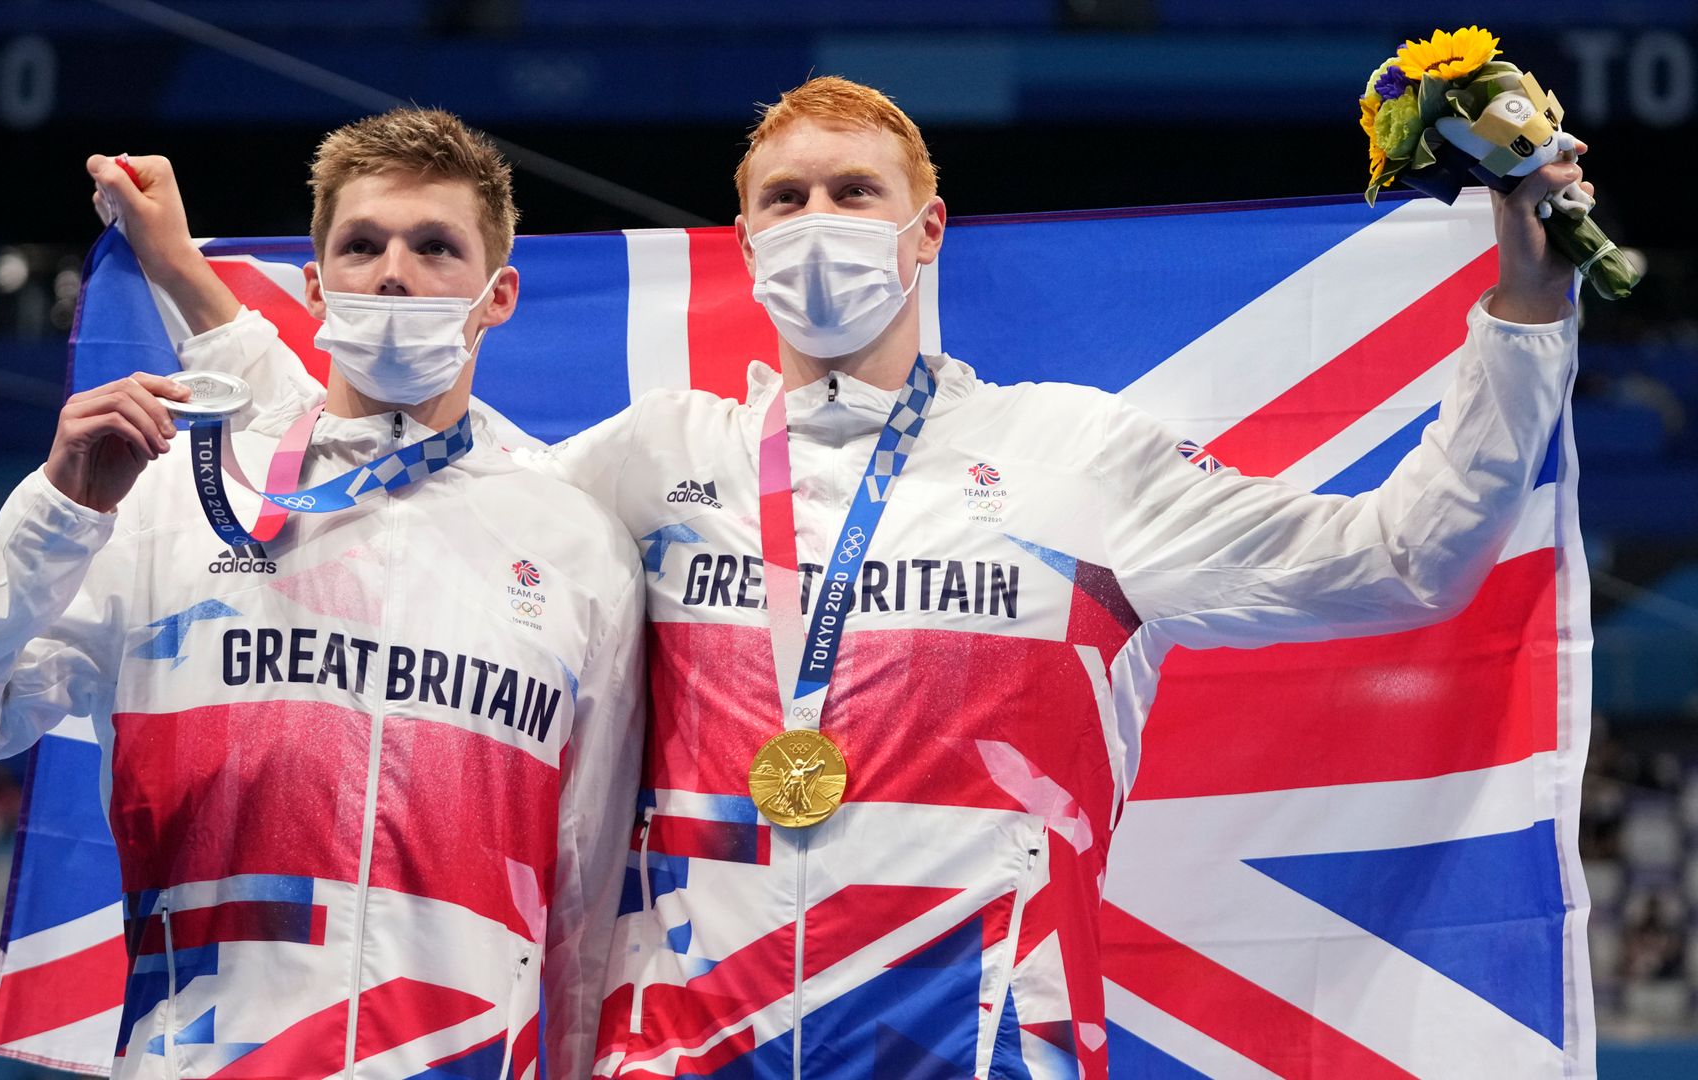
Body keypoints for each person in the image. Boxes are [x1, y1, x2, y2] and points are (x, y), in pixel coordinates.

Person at [148, 77, 1584, 1079]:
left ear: (927, 228)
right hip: (680, 1052)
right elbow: (432, 478)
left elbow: (1409, 558)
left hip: (979, 1048)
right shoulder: (649, 465)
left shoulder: (1077, 454)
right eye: (786, 197)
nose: (820, 217)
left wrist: (1525, 300)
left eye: (854, 191)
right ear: (747, 240)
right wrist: (207, 302)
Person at [0, 108, 645, 1080]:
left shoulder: (577, 545)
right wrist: (61, 512)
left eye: (436, 247)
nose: (394, 274)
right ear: (316, 289)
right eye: (363, 246)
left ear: (499, 295)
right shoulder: (170, 505)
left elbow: (587, 892)